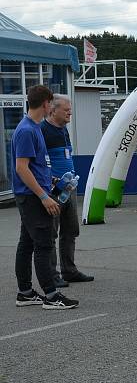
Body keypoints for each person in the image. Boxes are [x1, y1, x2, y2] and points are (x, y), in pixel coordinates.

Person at [12, 85, 78, 309]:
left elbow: (37, 165)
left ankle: (26, 292)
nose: (51, 107)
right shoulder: (27, 130)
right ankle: (51, 296)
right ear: (45, 104)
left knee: (27, 244)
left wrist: (50, 182)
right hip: (32, 197)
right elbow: (22, 168)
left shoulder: (34, 128)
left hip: (36, 192)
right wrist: (43, 196)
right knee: (43, 245)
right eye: (51, 103)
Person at [42, 94, 94, 285]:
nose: (70, 113)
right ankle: (51, 275)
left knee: (70, 230)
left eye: (70, 110)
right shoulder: (43, 131)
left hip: (69, 188)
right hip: (53, 189)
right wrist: (54, 181)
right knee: (51, 232)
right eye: (66, 110)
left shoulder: (63, 130)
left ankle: (69, 271)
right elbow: (38, 164)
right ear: (53, 110)